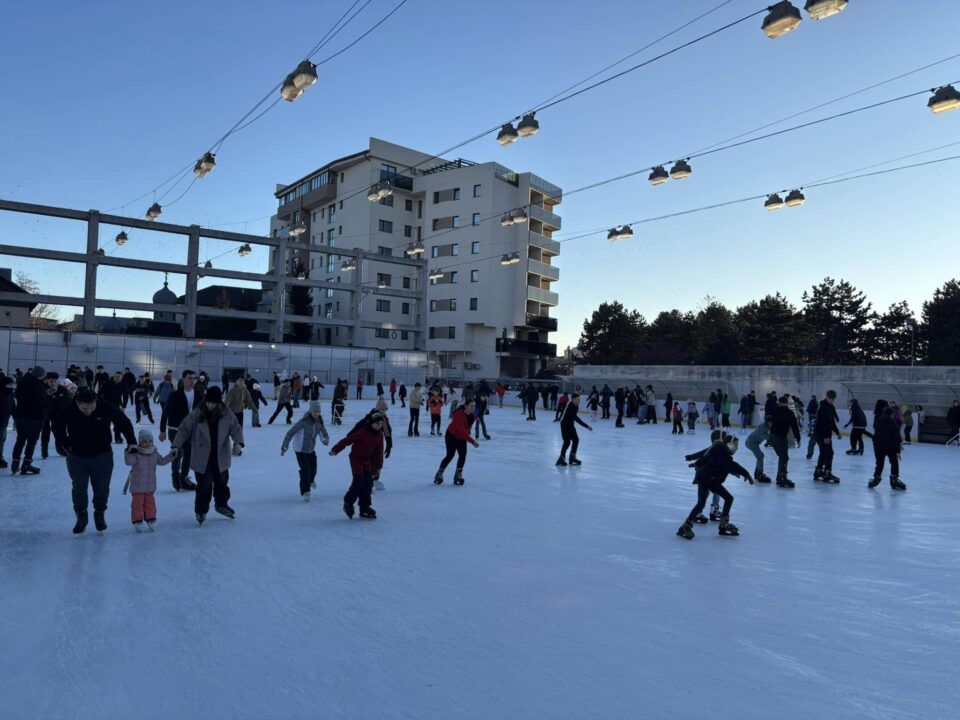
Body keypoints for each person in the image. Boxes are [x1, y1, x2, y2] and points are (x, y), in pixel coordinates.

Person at [54, 387, 137, 535]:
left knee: (101, 488)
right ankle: (81, 515)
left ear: (96, 402)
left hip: (102, 456)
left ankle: (99, 513)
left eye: (91, 407)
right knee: (79, 487)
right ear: (77, 403)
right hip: (77, 457)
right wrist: (64, 442)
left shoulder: (106, 407)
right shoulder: (69, 410)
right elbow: (57, 426)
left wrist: (131, 441)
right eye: (84, 408)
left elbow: (124, 423)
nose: (88, 411)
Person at [171, 386, 244, 525]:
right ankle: (201, 510)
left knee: (222, 484)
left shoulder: (227, 414)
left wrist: (238, 443)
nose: (210, 405)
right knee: (204, 487)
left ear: (219, 402)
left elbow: (236, 429)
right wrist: (175, 445)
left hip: (220, 457)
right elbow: (183, 429)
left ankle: (221, 504)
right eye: (208, 402)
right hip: (202, 457)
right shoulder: (197, 414)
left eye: (213, 403)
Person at [676, 432, 753, 540]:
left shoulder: (719, 451)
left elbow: (708, 458)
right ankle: (723, 525)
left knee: (701, 503)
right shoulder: (723, 454)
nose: (737, 448)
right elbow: (731, 465)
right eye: (735, 446)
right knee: (728, 498)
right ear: (729, 445)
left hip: (705, 478)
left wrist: (697, 463)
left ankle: (686, 526)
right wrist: (746, 474)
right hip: (709, 480)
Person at [329, 411, 384, 519]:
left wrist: (378, 467)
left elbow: (379, 452)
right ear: (372, 423)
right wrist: (335, 450)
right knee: (359, 481)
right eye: (378, 423)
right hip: (356, 459)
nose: (379, 426)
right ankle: (348, 503)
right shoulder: (362, 432)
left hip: (367, 461)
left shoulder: (379, 435)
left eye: (381, 424)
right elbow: (347, 440)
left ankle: (364, 507)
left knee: (368, 483)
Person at [159, 369, 203, 492]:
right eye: (189, 378)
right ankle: (175, 476)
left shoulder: (199, 395)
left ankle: (183, 478)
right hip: (175, 429)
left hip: (191, 430)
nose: (192, 381)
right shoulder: (175, 395)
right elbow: (165, 412)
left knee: (189, 454)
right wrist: (162, 430)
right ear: (183, 379)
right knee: (178, 453)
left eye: (194, 378)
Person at [122, 429, 173, 532]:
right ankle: (137, 521)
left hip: (150, 486)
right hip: (137, 486)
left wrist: (171, 456)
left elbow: (162, 461)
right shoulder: (136, 453)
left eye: (150, 441)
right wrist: (129, 452)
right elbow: (129, 462)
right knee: (137, 504)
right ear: (140, 442)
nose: (148, 443)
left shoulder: (154, 453)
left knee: (150, 504)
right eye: (145, 441)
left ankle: (151, 519)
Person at [281, 400, 330, 501]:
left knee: (314, 468)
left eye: (318, 411)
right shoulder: (303, 422)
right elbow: (290, 434)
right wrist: (284, 447)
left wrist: (325, 439)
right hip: (300, 450)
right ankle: (305, 491)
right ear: (310, 411)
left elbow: (323, 433)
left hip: (311, 449)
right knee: (305, 470)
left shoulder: (319, 422)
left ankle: (311, 481)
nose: (317, 413)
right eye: (315, 411)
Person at [434, 399, 479, 486]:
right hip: (451, 435)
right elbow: (461, 430)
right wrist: (472, 441)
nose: (473, 408)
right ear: (466, 406)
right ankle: (439, 474)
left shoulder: (472, 416)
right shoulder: (459, 415)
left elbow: (467, 428)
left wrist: (468, 432)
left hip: (462, 437)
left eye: (474, 406)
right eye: (471, 406)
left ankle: (458, 475)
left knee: (463, 455)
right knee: (450, 455)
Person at [11, 366, 45, 475]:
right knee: (31, 441)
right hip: (34, 417)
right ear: (40, 375)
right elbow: (40, 401)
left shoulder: (21, 381)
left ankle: (15, 463)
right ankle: (27, 463)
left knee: (20, 439)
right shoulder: (38, 384)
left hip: (20, 416)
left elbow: (16, 395)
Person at [869, 406, 907, 491]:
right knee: (894, 462)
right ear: (892, 414)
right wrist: (898, 451)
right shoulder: (893, 422)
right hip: (890, 446)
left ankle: (876, 478)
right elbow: (896, 436)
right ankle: (894, 479)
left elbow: (876, 432)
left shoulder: (879, 419)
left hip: (878, 445)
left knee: (879, 463)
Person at [769, 395, 801, 488]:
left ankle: (780, 477)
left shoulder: (774, 411)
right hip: (781, 437)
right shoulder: (789, 412)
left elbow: (768, 421)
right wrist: (798, 439)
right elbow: (795, 427)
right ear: (787, 403)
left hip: (772, 436)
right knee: (784, 457)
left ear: (779, 402)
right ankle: (782, 477)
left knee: (782, 457)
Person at [814, 390, 843, 483]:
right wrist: (826, 436)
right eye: (830, 398)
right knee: (829, 453)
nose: (831, 400)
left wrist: (837, 432)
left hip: (826, 434)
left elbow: (831, 422)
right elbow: (821, 423)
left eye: (833, 399)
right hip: (821, 434)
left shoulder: (831, 407)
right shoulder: (822, 407)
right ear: (826, 397)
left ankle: (818, 471)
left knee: (824, 452)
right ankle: (827, 472)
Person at [556, 392, 592, 466]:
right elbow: (576, 418)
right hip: (565, 425)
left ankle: (572, 457)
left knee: (576, 440)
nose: (579, 400)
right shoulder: (570, 406)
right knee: (567, 442)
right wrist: (587, 426)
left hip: (570, 425)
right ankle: (561, 458)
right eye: (578, 399)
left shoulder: (576, 406)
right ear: (573, 399)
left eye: (579, 399)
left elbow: (573, 418)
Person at [40, 371, 70, 459]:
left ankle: (60, 448)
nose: (53, 383)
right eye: (51, 381)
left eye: (55, 381)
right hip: (45, 414)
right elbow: (37, 401)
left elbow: (68, 402)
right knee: (45, 430)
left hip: (58, 414)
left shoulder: (62, 389)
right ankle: (44, 449)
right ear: (47, 381)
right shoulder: (42, 389)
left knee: (59, 431)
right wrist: (46, 395)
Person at [744, 415, 774, 483]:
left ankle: (757, 473)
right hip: (751, 442)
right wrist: (772, 440)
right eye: (772, 422)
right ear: (768, 422)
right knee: (760, 456)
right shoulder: (762, 427)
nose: (773, 424)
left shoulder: (767, 426)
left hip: (754, 442)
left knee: (761, 455)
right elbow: (765, 436)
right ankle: (760, 474)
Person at [0, 374, 14, 468]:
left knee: (2, 440)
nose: (11, 387)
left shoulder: (10, 395)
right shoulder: (1, 394)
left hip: (4, 421)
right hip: (1, 421)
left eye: (12, 385)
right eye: (9, 385)